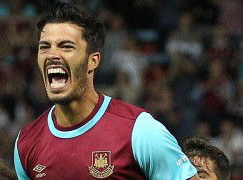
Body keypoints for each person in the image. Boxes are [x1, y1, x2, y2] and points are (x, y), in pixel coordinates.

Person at [14, 1, 198, 179]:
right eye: (45, 47)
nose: (52, 54)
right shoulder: (26, 143)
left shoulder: (140, 131)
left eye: (66, 46)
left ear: (92, 61)